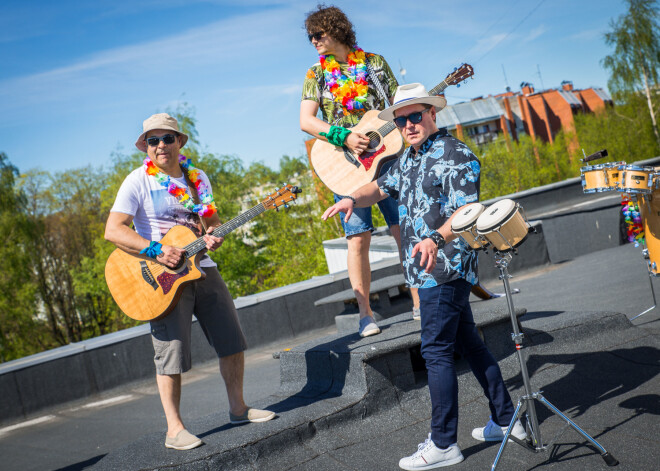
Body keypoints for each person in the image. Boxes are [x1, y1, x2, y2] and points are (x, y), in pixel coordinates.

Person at [322, 84, 526, 469]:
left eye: (416, 116)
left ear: (433, 114)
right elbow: (380, 188)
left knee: (434, 351)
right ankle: (507, 418)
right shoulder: (410, 157)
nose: (409, 124)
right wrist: (351, 198)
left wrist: (435, 238)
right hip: (424, 269)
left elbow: (467, 213)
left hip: (446, 267)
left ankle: (444, 443)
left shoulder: (457, 155)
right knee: (470, 343)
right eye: (401, 120)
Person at [104, 113, 274, 451]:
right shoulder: (137, 181)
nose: (160, 146)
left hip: (203, 267)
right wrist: (156, 250)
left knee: (232, 340)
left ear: (179, 142)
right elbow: (114, 230)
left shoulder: (198, 178)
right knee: (171, 355)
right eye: (153, 140)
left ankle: (238, 409)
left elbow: (212, 221)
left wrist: (215, 235)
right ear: (146, 147)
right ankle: (174, 429)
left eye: (167, 138)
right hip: (160, 278)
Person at [300, 5, 420, 336]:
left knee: (403, 229)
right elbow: (306, 121)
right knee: (357, 239)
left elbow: (399, 107)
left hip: (389, 158)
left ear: (336, 30)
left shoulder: (374, 63)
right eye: (310, 36)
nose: (313, 41)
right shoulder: (317, 74)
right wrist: (344, 136)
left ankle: (419, 304)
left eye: (318, 34)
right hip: (346, 167)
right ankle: (366, 315)